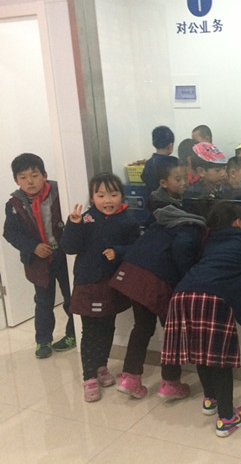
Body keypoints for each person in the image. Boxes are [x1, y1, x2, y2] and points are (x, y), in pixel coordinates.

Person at [161, 201, 241, 437]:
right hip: (213, 298)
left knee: (201, 352)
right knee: (220, 360)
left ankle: (210, 399)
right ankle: (226, 418)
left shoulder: (209, 240)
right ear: (238, 223)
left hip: (183, 295)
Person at [110, 204, 207, 400]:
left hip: (132, 274)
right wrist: (187, 279)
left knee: (142, 327)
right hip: (157, 281)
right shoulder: (192, 228)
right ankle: (170, 383)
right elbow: (182, 248)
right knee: (172, 331)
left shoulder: (162, 223)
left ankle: (130, 379)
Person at [60, 173, 140, 402]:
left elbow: (136, 248)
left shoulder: (128, 221)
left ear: (121, 196)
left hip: (112, 283)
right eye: (101, 195)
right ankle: (89, 377)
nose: (107, 200)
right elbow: (68, 247)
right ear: (92, 197)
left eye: (113, 194)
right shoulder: (85, 219)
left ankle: (101, 367)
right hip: (87, 282)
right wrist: (73, 225)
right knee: (89, 331)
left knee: (107, 327)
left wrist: (118, 252)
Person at [3, 153, 75, 359]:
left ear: (44, 175)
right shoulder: (14, 204)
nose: (30, 181)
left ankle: (72, 334)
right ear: (16, 180)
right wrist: (33, 247)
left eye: (34, 175)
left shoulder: (59, 193)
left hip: (64, 256)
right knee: (43, 302)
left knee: (71, 297)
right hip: (38, 260)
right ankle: (43, 340)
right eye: (23, 177)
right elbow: (10, 232)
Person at [141, 125, 176, 195]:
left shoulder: (148, 163)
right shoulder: (174, 163)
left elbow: (143, 177)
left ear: (153, 144)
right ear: (170, 145)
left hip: (152, 199)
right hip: (170, 200)